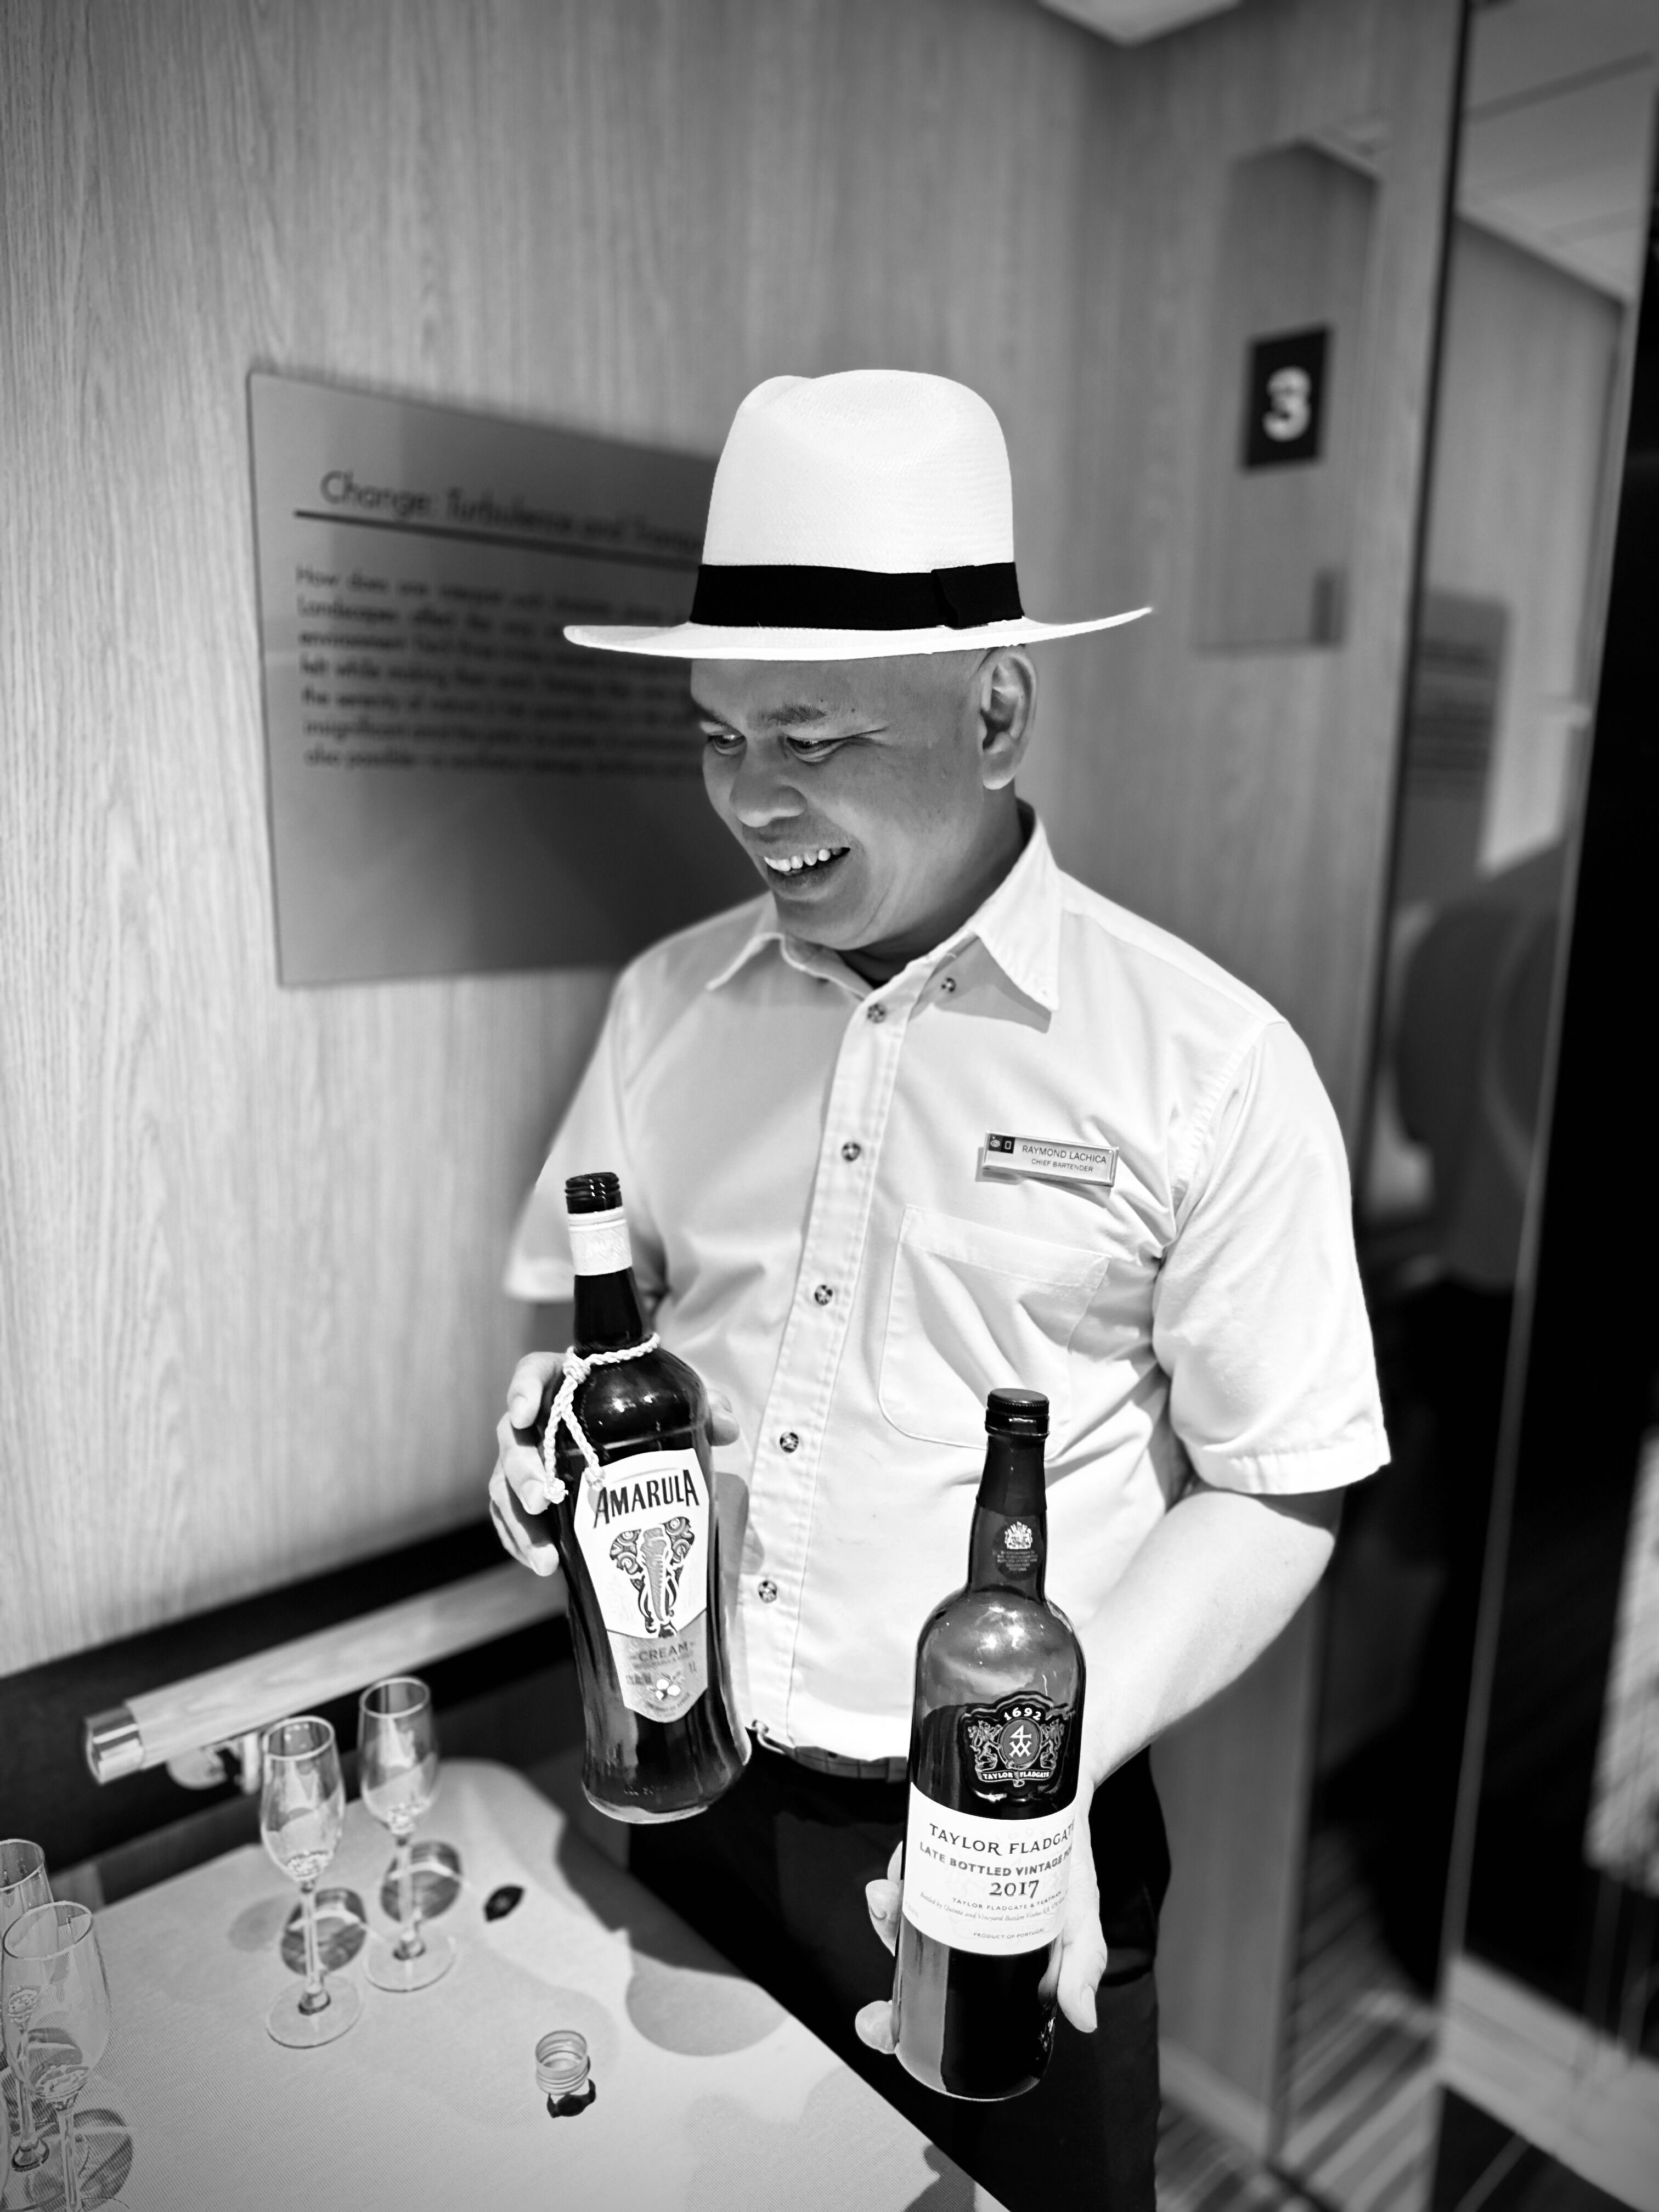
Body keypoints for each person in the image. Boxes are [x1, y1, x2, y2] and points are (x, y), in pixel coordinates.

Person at [489, 370, 1387, 2210]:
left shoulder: (1206, 1063)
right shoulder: (666, 1008)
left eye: (811, 736)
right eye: (719, 735)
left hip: (1015, 1824)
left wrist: (1046, 1785)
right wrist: (550, 1436)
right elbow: (600, 1331)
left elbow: (1281, 1485)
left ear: (995, 710)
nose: (753, 799)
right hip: (699, 1796)